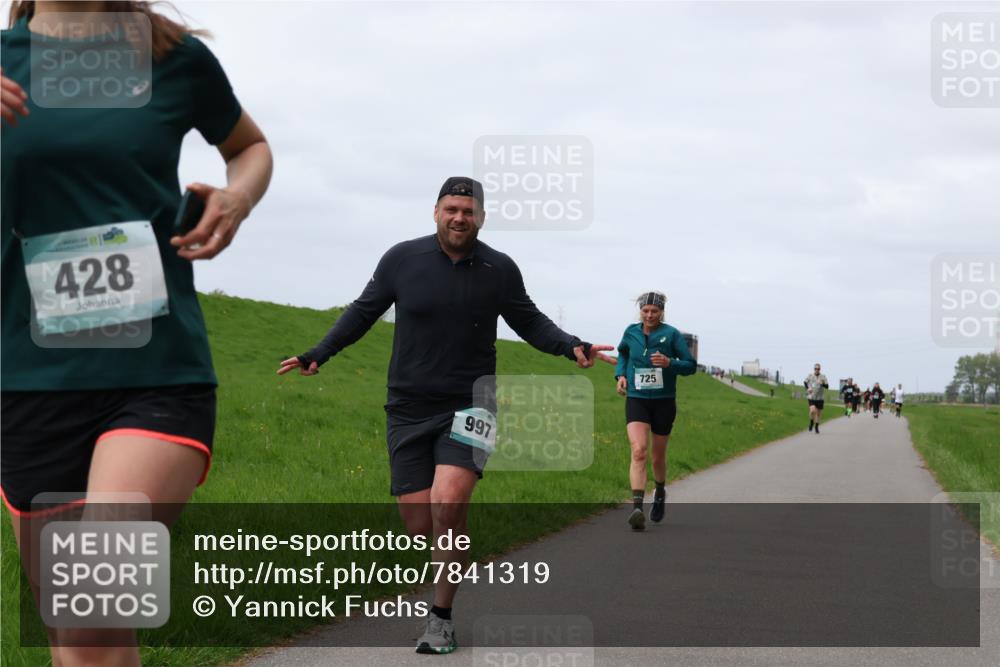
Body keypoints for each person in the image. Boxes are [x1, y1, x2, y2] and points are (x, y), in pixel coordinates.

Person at [1, 2, 272, 664]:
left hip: (156, 367)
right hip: (28, 378)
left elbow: (249, 147)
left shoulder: (171, 56)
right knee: (80, 637)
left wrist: (237, 197)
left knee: (93, 598)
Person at [277, 176, 613, 654]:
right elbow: (363, 311)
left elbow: (529, 320)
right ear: (435, 211)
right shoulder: (401, 259)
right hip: (409, 405)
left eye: (469, 210)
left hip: (473, 402)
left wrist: (571, 345)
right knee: (421, 524)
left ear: (481, 216)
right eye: (452, 208)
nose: (460, 217)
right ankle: (447, 567)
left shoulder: (499, 268)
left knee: (448, 504)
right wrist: (319, 353)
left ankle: (441, 617)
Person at [614, 291, 696, 531]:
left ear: (662, 312)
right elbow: (623, 353)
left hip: (663, 401)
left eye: (654, 311)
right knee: (638, 451)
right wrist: (620, 375)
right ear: (640, 311)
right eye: (645, 310)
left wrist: (671, 363)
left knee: (657, 457)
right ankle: (637, 508)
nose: (649, 315)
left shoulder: (671, 334)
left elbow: (690, 366)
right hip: (637, 399)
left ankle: (659, 492)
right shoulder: (631, 331)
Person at [804, 364, 829, 433]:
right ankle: (811, 421)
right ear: (814, 369)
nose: (817, 370)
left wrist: (822, 384)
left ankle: (816, 427)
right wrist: (808, 388)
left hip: (820, 398)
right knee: (812, 411)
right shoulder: (810, 375)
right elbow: (805, 382)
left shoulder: (823, 377)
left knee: (818, 414)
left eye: (818, 369)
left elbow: (827, 386)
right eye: (816, 369)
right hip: (811, 396)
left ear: (820, 369)